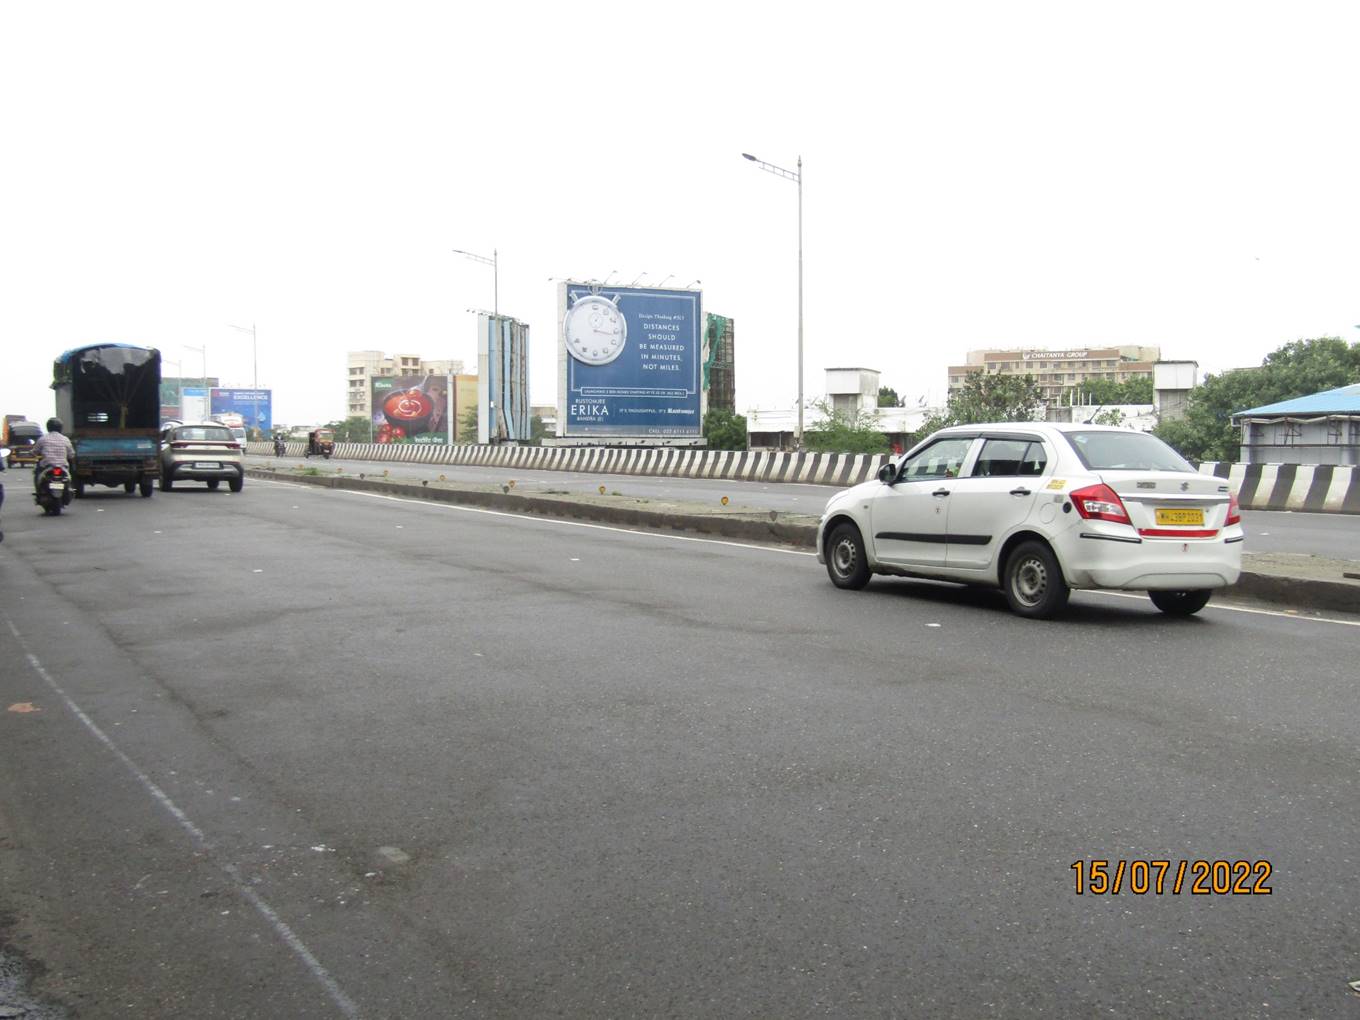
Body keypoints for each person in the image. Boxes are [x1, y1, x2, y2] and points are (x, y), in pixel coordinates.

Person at [33, 418, 76, 484]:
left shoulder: (42, 439)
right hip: (63, 466)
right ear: (60, 428)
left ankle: (38, 490)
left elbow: (35, 451)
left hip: (47, 465)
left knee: (37, 471)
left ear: (48, 427)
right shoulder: (65, 439)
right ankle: (71, 486)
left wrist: (32, 453)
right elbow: (71, 454)